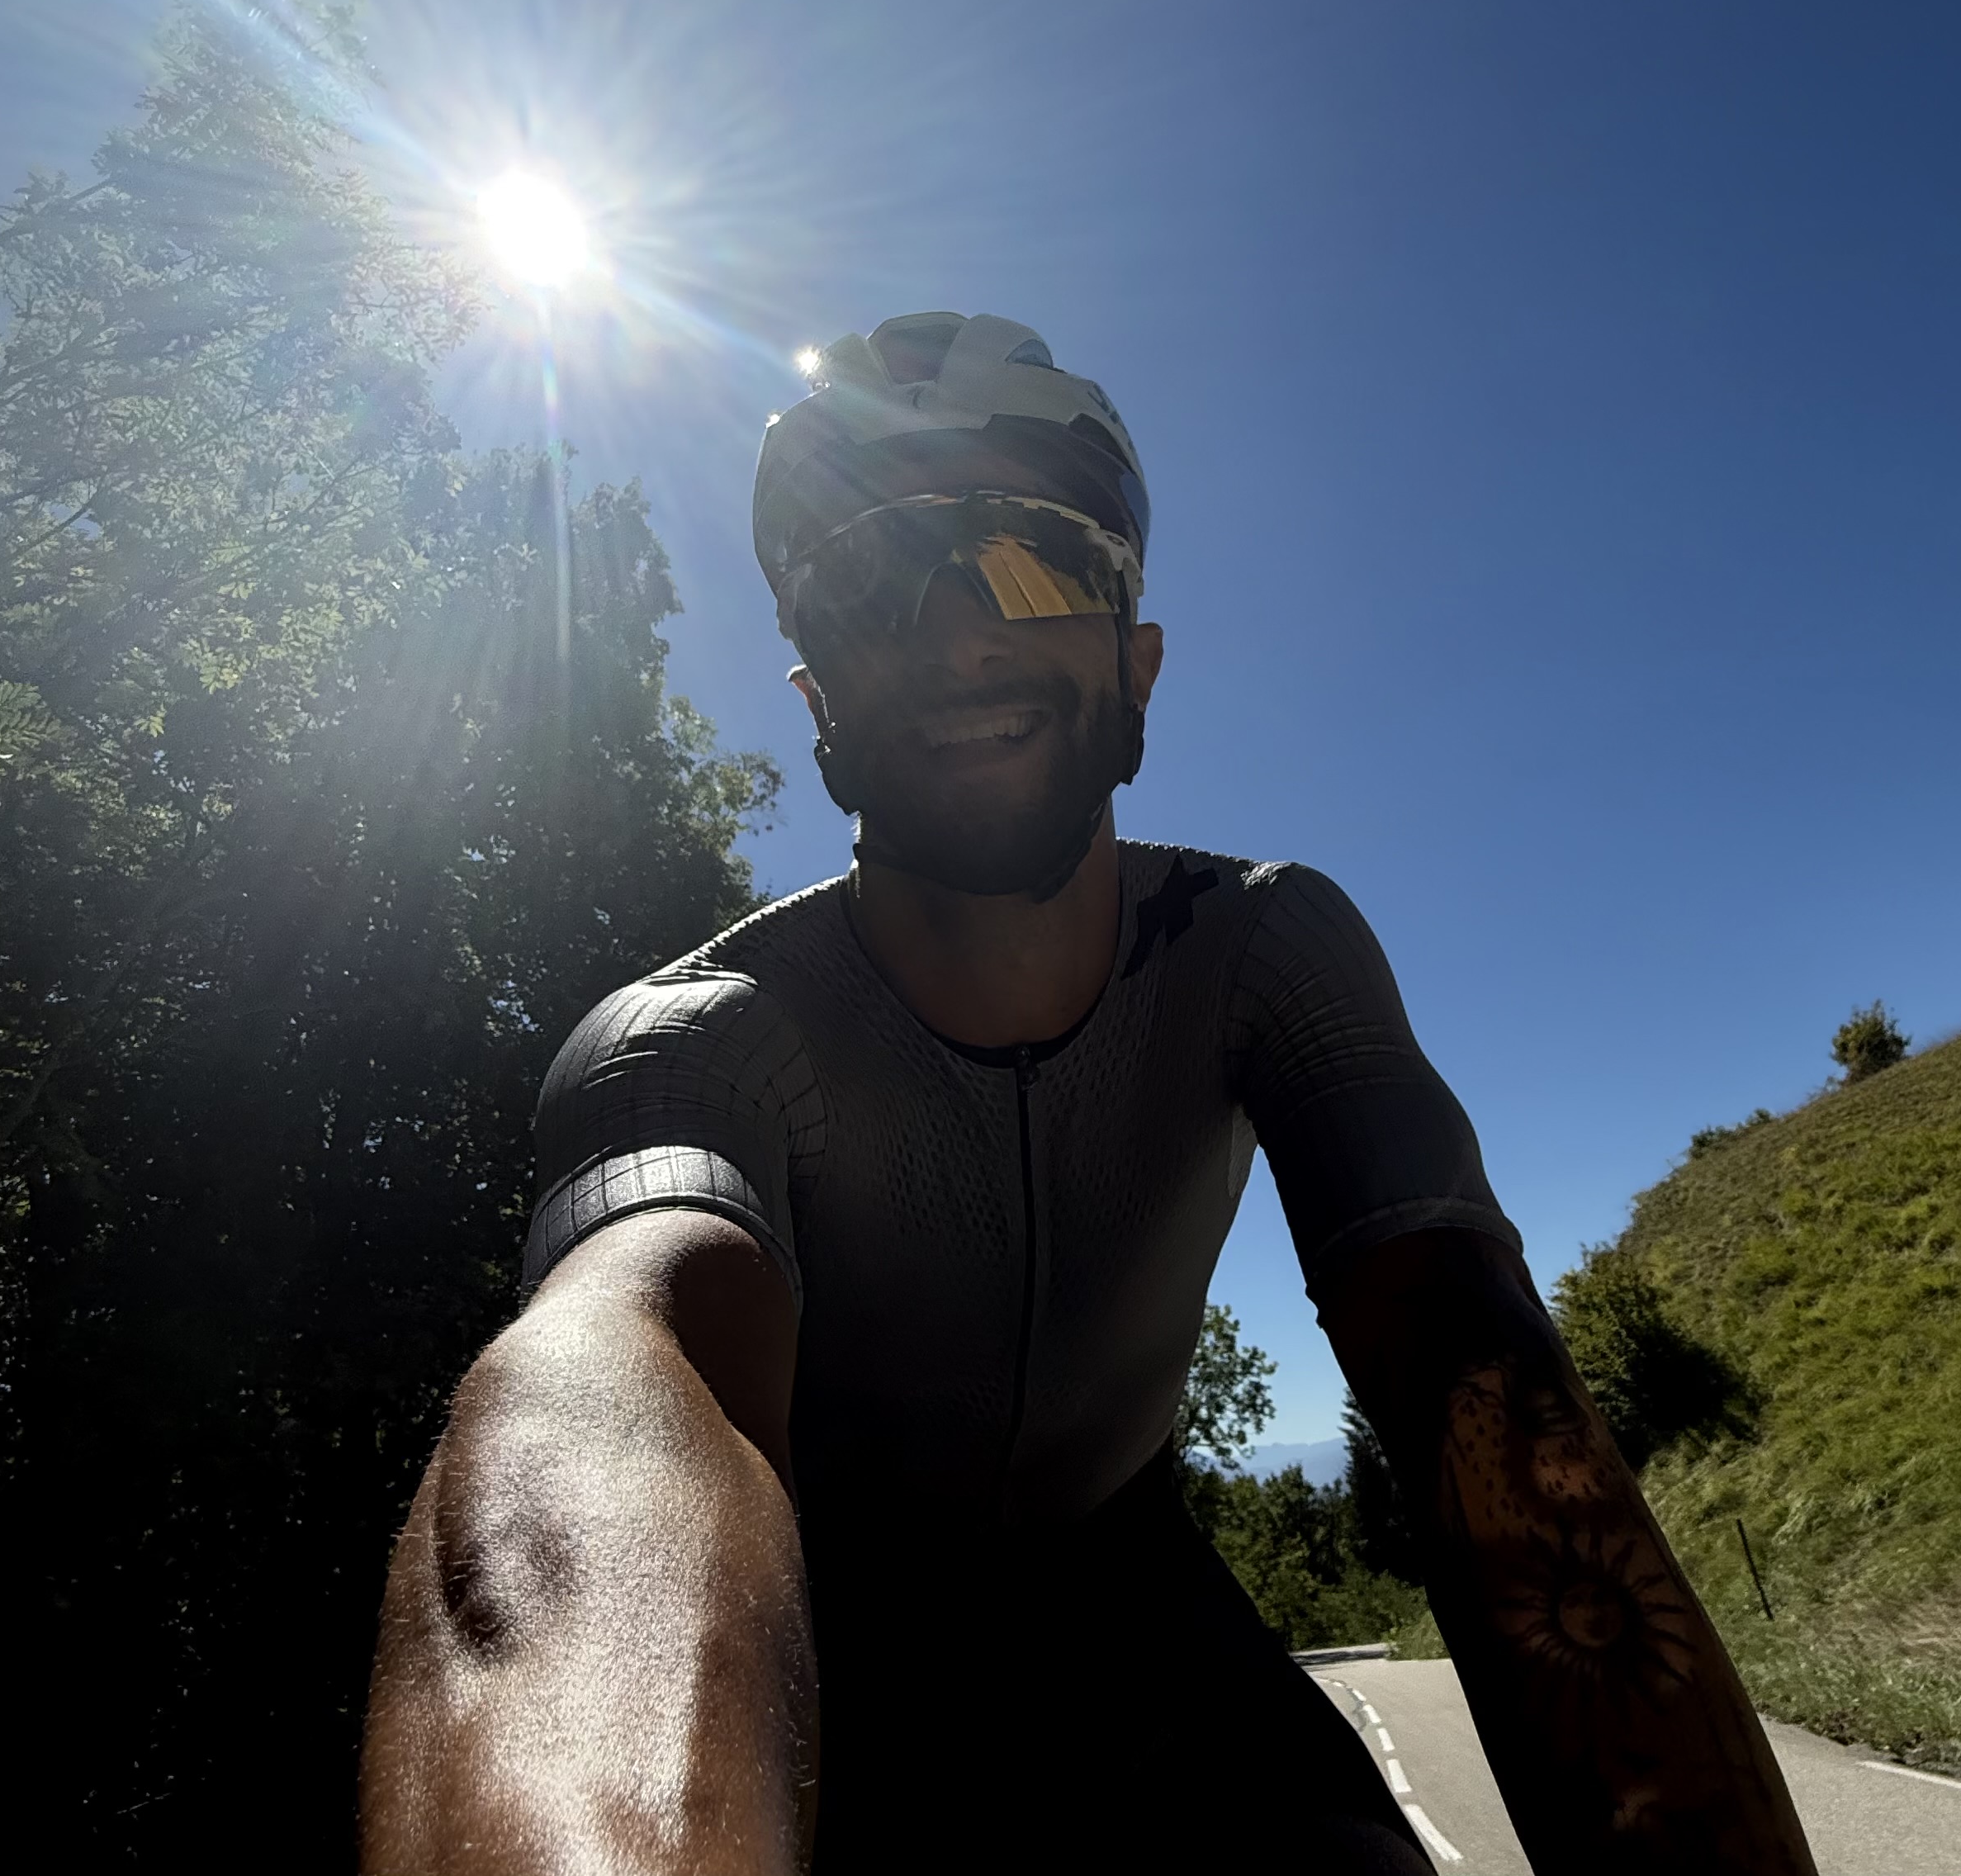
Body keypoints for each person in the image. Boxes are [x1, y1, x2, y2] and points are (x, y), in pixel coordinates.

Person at [358, 312, 1816, 1875]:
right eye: (867, 581)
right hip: (818, 1665)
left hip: (1144, 1613)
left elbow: (1468, 1353)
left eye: (1032, 560)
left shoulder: (1268, 956)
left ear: (1139, 661)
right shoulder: (688, 1041)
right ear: (816, 691)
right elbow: (599, 1420)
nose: (953, 635)